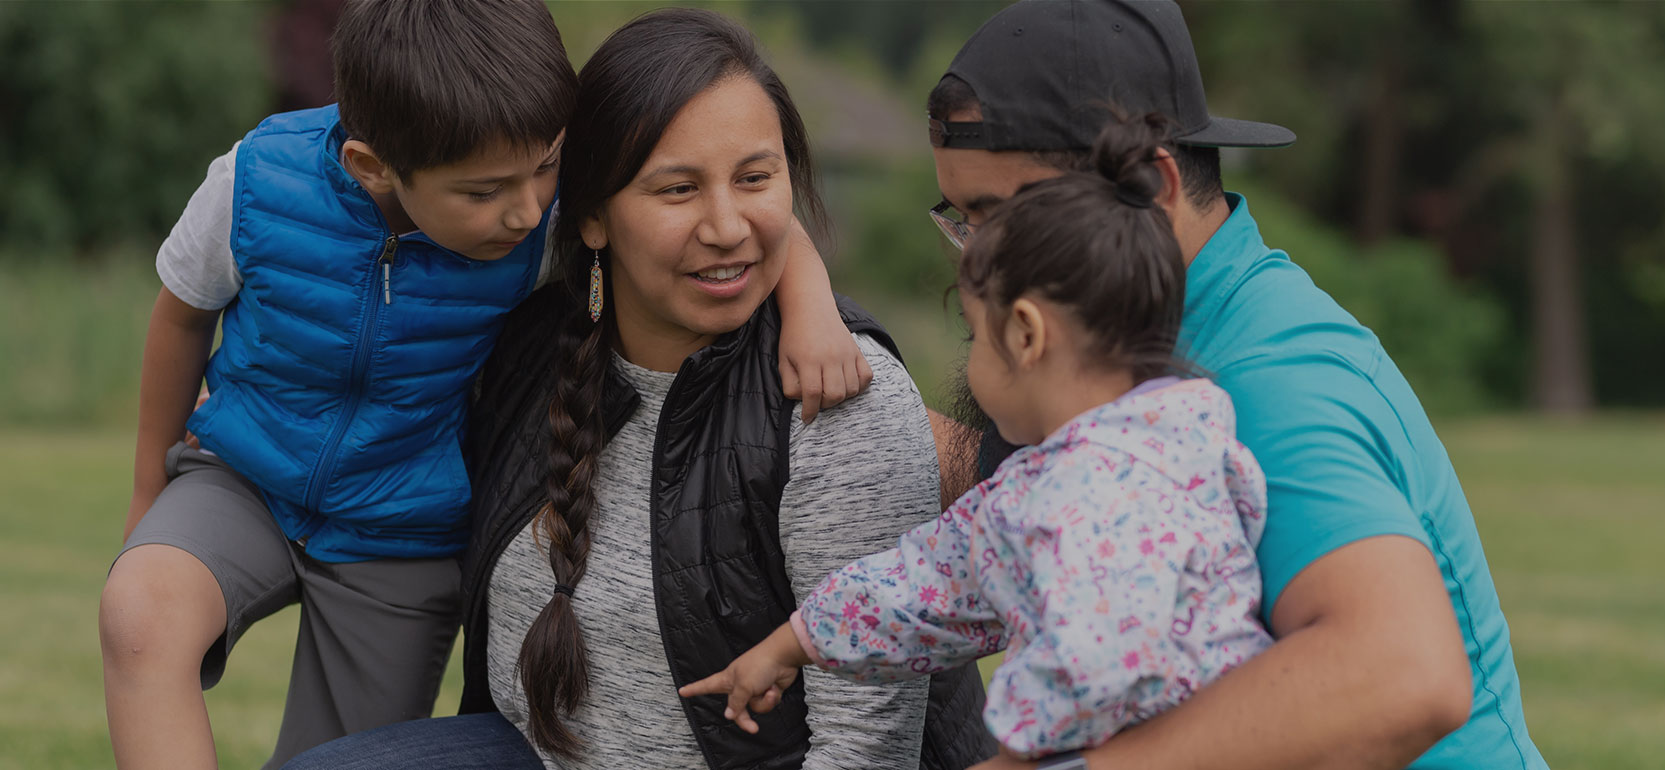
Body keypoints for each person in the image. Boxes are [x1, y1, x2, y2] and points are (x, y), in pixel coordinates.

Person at [96, 1, 869, 767]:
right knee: (139, 612)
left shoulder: (541, 216)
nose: (527, 210)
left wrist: (811, 309)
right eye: (482, 192)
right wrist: (146, 491)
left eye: (546, 167)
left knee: (341, 761)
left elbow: (745, 207)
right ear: (373, 166)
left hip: (402, 529)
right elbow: (182, 317)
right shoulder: (256, 182)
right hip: (245, 476)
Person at [282, 8, 996, 770]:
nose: (727, 226)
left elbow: (866, 750)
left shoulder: (835, 396)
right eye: (677, 189)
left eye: (755, 178)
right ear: (590, 217)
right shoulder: (526, 347)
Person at [922, 2, 1548, 768]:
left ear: (1153, 188)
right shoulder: (1136, 341)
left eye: (1001, 217)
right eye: (962, 220)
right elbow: (1034, 502)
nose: (976, 260)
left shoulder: (1266, 379)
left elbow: (1407, 676)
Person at [683, 113, 1274, 766]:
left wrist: (1017, 759)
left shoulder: (1084, 497)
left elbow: (1096, 669)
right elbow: (932, 582)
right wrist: (793, 644)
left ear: (1025, 334)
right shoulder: (1193, 445)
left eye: (974, 335)